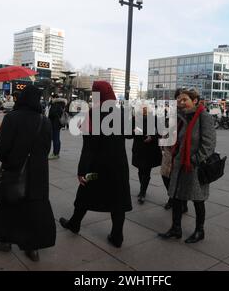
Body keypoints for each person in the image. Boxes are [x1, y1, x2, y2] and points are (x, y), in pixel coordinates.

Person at [59, 81, 132, 248]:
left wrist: (82, 170)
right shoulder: (122, 113)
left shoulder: (92, 114)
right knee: (118, 199)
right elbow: (129, 136)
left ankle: (74, 224)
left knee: (84, 194)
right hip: (118, 166)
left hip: (97, 166)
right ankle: (117, 236)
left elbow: (89, 148)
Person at [0, 85, 56, 262]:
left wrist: (8, 156)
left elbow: (0, 148)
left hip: (15, 170)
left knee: (5, 206)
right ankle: (32, 247)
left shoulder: (12, 118)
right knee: (33, 210)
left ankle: (3, 241)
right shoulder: (44, 121)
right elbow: (46, 148)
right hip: (38, 174)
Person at [158, 88, 216, 244]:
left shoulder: (204, 117)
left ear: (195, 100)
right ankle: (176, 228)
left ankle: (199, 230)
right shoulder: (179, 117)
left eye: (184, 99)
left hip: (194, 166)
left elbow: (209, 144)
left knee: (198, 200)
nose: (181, 102)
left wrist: (195, 159)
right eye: (179, 100)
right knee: (176, 198)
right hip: (179, 164)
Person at [131, 105, 162, 204]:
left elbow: (161, 133)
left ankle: (143, 191)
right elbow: (128, 135)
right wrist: (132, 131)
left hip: (150, 149)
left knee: (146, 171)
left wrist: (152, 137)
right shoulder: (134, 119)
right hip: (139, 148)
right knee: (140, 170)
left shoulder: (155, 118)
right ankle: (142, 188)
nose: (143, 110)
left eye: (145, 108)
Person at [48, 94, 67, 160]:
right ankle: (56, 153)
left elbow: (52, 114)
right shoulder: (61, 104)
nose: (51, 99)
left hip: (54, 124)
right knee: (56, 138)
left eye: (52, 98)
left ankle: (55, 153)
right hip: (57, 124)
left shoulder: (56, 105)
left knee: (56, 139)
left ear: (54, 98)